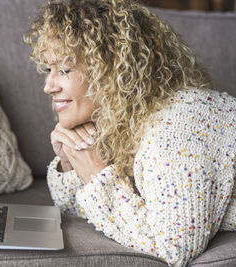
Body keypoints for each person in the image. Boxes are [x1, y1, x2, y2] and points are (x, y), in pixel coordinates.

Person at [24, 0, 236, 266]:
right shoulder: (119, 123)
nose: (48, 86)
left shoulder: (179, 121)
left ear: (112, 70)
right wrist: (70, 162)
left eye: (64, 69)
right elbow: (74, 209)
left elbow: (175, 248)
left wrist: (96, 176)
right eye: (48, 69)